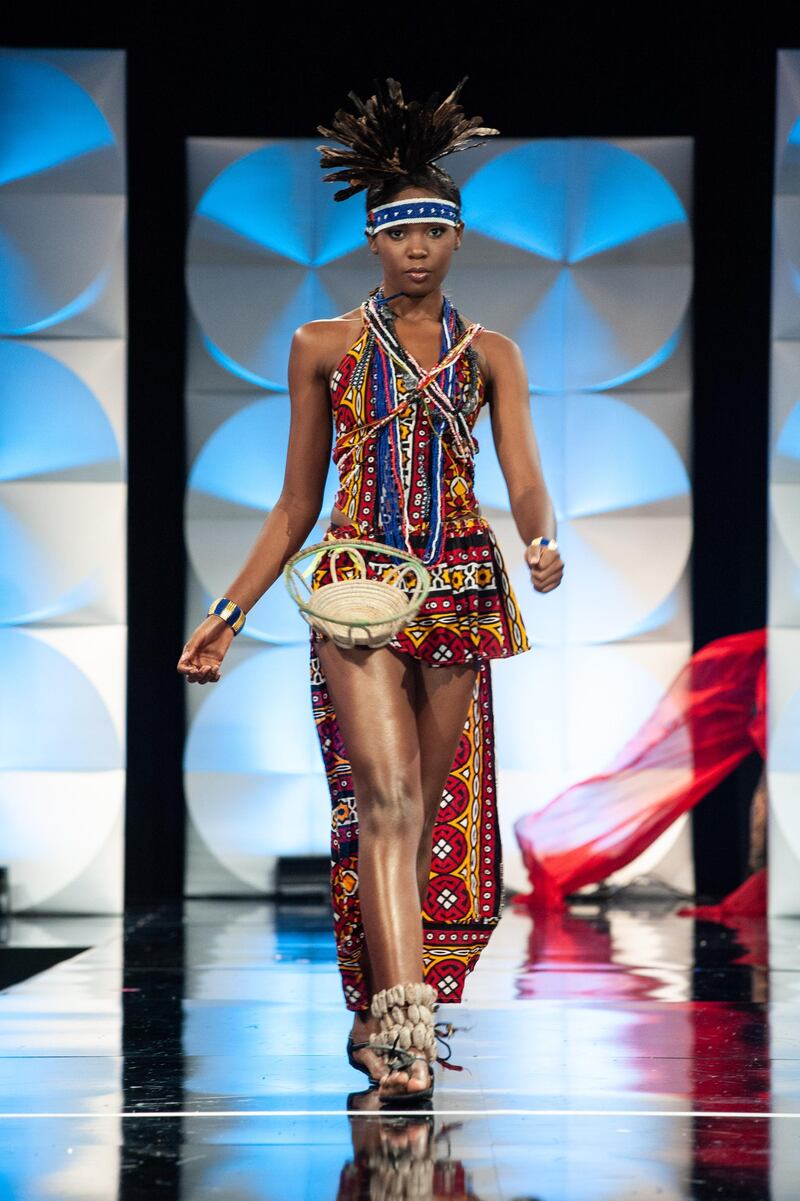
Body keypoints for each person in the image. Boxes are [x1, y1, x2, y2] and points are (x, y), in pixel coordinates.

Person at [177, 77, 564, 1106]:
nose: (416, 250)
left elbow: (521, 472)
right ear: (372, 242)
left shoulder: (492, 355)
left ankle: (377, 1000)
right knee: (386, 800)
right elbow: (293, 502)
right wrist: (225, 613)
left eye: (433, 231)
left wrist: (540, 537)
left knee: (419, 814)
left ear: (457, 239)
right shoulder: (323, 347)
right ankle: (403, 1028)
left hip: (463, 587)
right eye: (398, 233)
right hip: (356, 586)